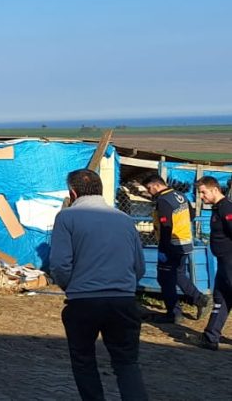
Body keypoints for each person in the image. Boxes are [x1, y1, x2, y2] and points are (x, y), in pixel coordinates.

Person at [50, 168, 148, 401]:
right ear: (101, 190)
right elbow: (139, 266)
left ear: (73, 193)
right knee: (127, 363)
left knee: (84, 361)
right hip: (123, 301)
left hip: (84, 301)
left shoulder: (66, 218)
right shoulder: (125, 220)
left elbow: (60, 265)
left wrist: (72, 287)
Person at [143, 173, 211, 323]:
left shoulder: (163, 200)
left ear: (156, 185)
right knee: (178, 274)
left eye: (149, 188)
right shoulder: (180, 195)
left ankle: (173, 314)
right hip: (185, 243)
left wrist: (164, 248)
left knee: (165, 278)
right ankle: (200, 299)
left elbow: (166, 226)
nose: (149, 192)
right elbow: (191, 215)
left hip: (171, 245)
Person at [197, 176, 232, 350]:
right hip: (223, 262)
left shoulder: (226, 208)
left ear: (215, 189)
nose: (201, 196)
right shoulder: (217, 208)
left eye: (203, 192)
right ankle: (210, 337)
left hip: (230, 261)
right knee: (221, 297)